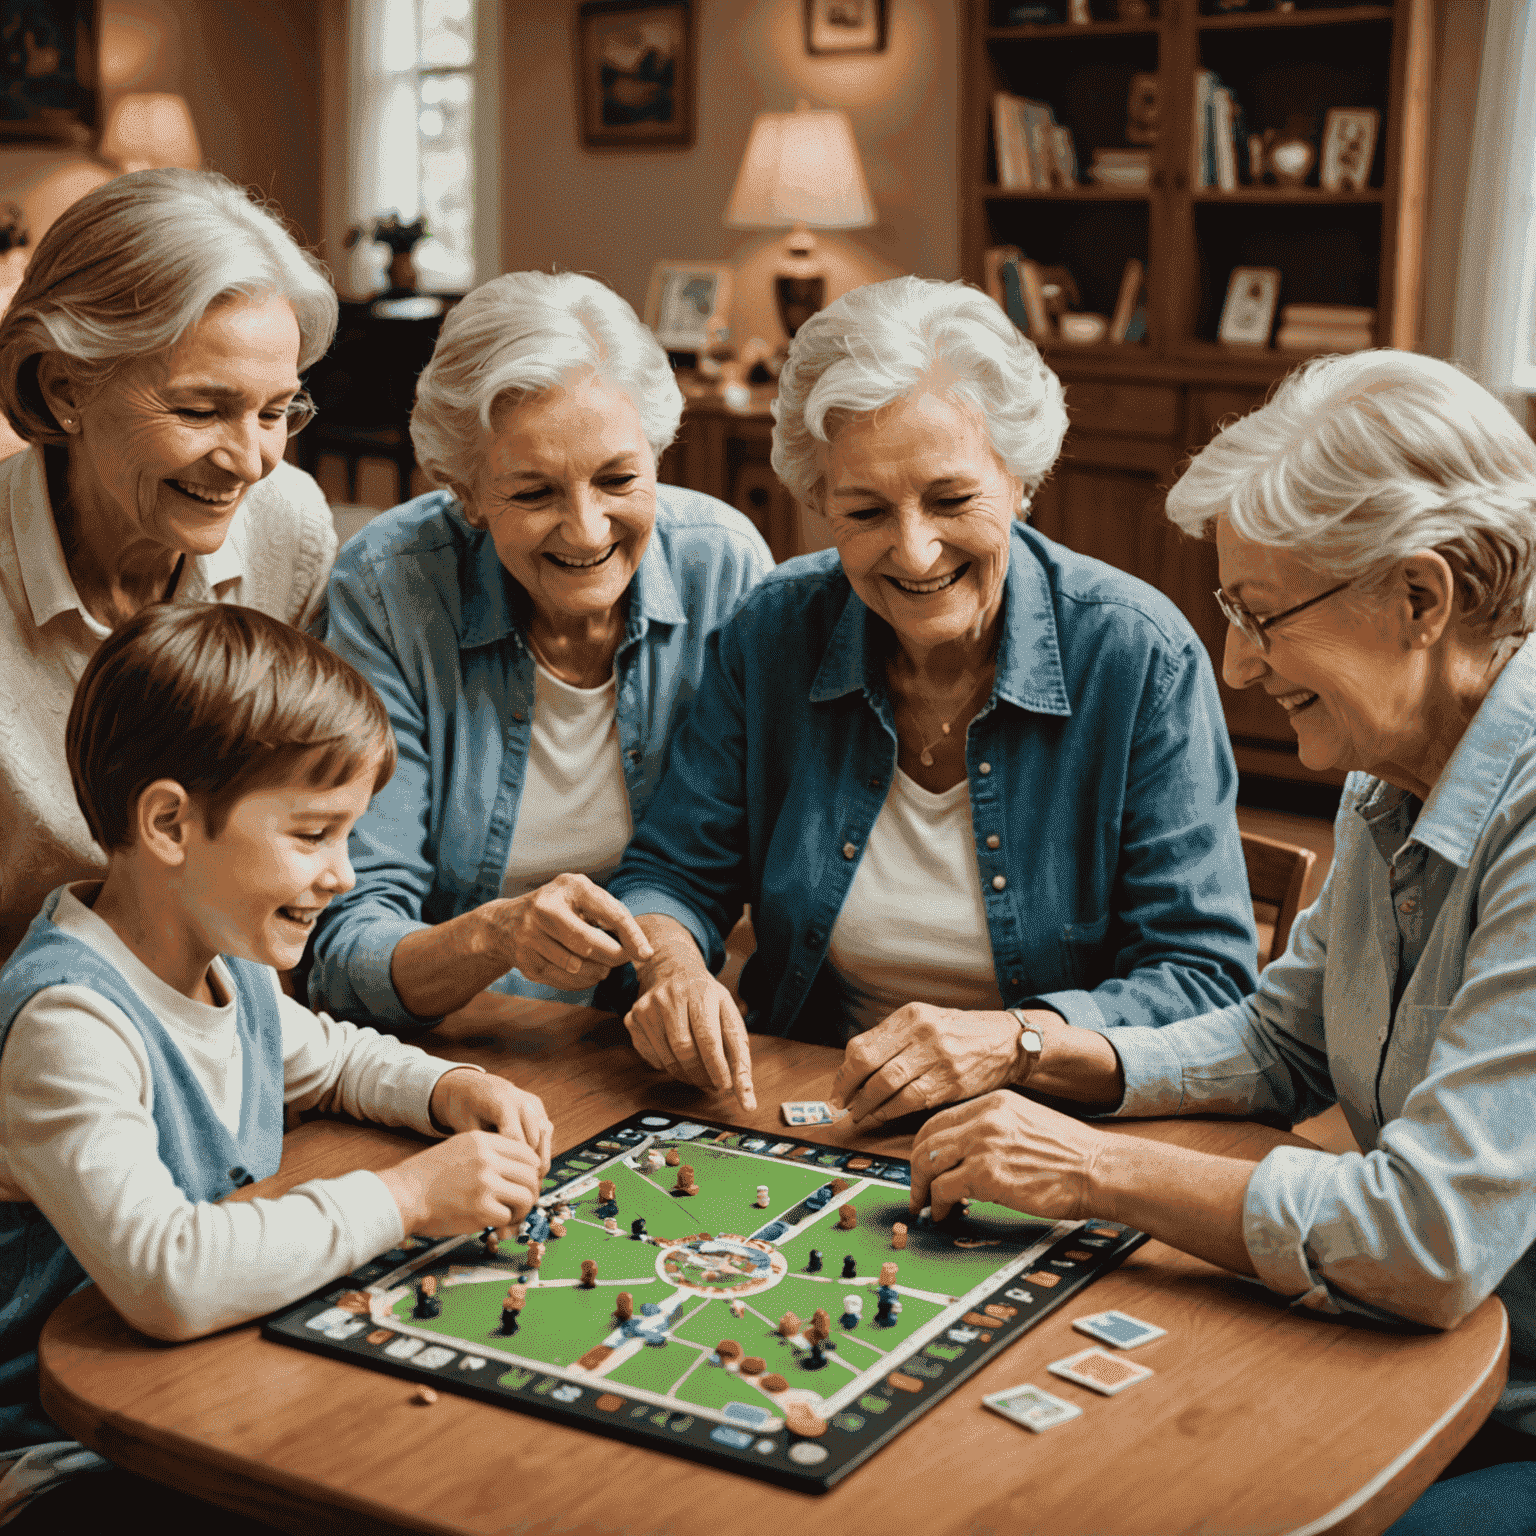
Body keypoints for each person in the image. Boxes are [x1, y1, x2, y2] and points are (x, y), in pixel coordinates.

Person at [905, 350, 1536, 1534]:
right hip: (1411, 1355)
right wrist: (1033, 1049)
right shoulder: (1391, 762)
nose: (1238, 662)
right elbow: (1282, 1040)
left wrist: (1087, 1169)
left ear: (1420, 598)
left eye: (1261, 615)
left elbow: (1429, 1239)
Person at [609, 276, 1257, 1123]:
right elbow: (670, 873)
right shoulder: (773, 631)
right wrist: (672, 971)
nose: (914, 553)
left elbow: (1205, 979)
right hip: (810, 1101)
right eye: (866, 510)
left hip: (1052, 1128)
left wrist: (1019, 1042)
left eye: (951, 500)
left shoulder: (1137, 655)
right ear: (819, 504)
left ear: (1022, 479)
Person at [0, 602, 552, 1531]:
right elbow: (166, 1274)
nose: (343, 875)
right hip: (68, 1454)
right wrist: (407, 1198)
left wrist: (452, 1089)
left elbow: (331, 1059)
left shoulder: (234, 966)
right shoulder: (70, 1022)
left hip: (213, 1392)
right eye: (312, 835)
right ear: (171, 823)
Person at [310, 271, 772, 1030]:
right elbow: (348, 944)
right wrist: (497, 935)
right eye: (534, 493)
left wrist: (674, 969)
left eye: (618, 478)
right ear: (467, 494)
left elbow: (726, 869)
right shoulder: (391, 587)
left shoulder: (723, 568)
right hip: (453, 1041)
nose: (588, 530)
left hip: (647, 1047)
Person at [0, 168, 341, 963]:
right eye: (199, 410)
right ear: (63, 390)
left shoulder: (287, 529)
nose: (252, 461)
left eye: (276, 411)